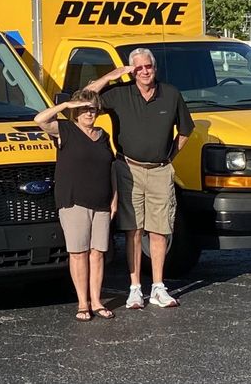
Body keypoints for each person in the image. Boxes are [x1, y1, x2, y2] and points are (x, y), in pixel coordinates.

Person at [85, 48, 194, 309]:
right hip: (128, 169)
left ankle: (158, 287)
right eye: (139, 68)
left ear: (155, 68)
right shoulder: (119, 94)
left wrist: (169, 157)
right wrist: (112, 75)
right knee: (133, 230)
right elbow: (86, 99)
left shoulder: (171, 94)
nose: (145, 71)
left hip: (160, 170)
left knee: (159, 231)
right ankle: (135, 288)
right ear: (132, 71)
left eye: (149, 67)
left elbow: (186, 130)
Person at [35, 89, 117, 321]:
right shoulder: (66, 130)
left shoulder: (103, 135)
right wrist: (66, 106)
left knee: (98, 253)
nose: (88, 113)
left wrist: (115, 198)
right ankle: (83, 303)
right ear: (75, 112)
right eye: (83, 109)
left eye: (92, 108)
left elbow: (110, 168)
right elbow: (39, 120)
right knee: (79, 253)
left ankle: (97, 301)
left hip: (101, 201)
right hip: (74, 201)